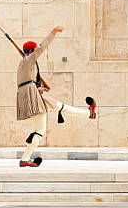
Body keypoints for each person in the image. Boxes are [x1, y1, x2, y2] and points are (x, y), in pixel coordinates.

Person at [17, 26, 96, 167]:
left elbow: (27, 85)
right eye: (34, 50)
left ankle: (88, 113)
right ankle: (25, 159)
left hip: (33, 96)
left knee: (59, 106)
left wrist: (42, 88)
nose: (36, 52)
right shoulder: (29, 61)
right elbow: (43, 46)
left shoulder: (23, 64)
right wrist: (53, 31)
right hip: (33, 98)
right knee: (39, 131)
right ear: (31, 51)